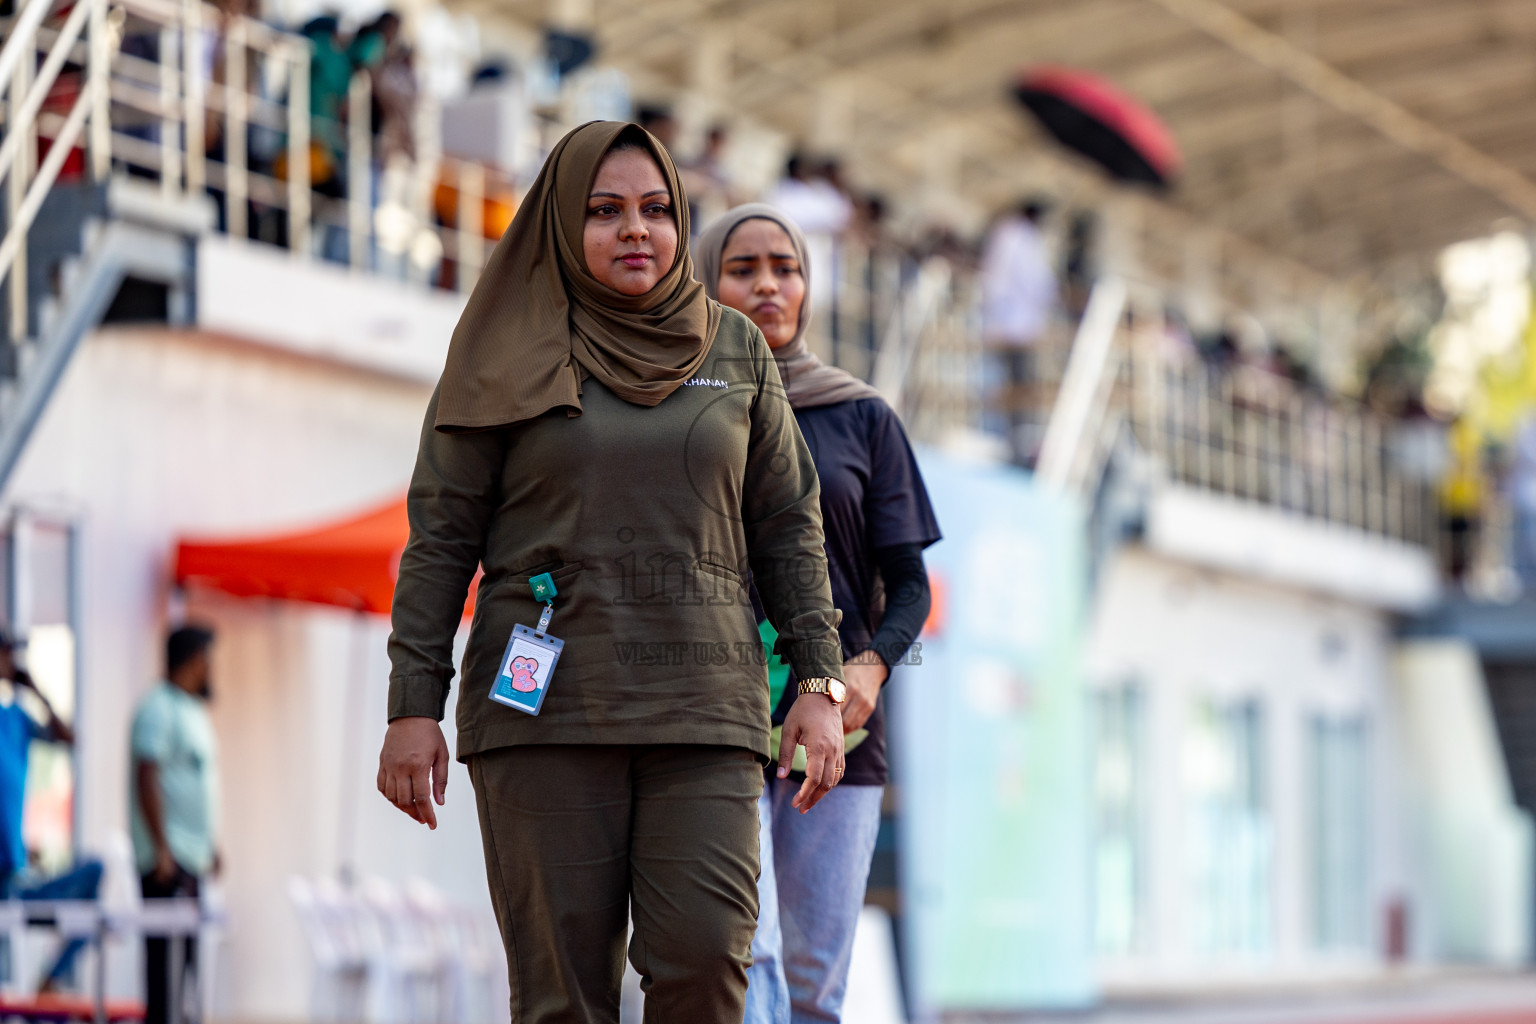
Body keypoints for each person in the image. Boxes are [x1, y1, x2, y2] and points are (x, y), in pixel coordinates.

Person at [377, 121, 848, 1024]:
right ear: (560, 221)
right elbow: (440, 536)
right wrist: (412, 706)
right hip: (546, 715)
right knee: (565, 998)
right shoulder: (501, 351)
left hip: (707, 711)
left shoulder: (735, 350)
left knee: (708, 962)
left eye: (657, 210)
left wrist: (819, 680)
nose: (637, 230)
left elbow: (790, 525)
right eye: (605, 211)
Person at [698, 205, 940, 1024]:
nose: (768, 284)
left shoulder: (862, 416)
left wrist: (866, 673)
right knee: (747, 947)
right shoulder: (681, 416)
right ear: (704, 282)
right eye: (742, 268)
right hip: (711, 717)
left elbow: (910, 583)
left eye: (786, 266)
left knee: (813, 979)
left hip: (843, 724)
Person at [0, 630, 101, 993]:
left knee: (98, 876)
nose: (12, 663)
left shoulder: (15, 718)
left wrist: (36, 689)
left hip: (15, 877)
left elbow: (70, 738)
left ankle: (51, 979)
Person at [131, 625, 219, 1024]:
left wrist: (210, 844)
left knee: (187, 966)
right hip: (167, 860)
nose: (211, 669)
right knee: (164, 968)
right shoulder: (157, 707)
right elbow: (146, 775)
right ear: (192, 659)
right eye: (207, 659)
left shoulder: (191, 710)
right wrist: (161, 847)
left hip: (192, 856)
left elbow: (196, 781)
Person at [980, 197, 1058, 465]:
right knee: (1010, 386)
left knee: (1016, 386)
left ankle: (1014, 442)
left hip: (1016, 326)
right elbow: (1027, 282)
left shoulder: (1018, 238)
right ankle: (1008, 442)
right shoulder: (1016, 237)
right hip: (1012, 326)